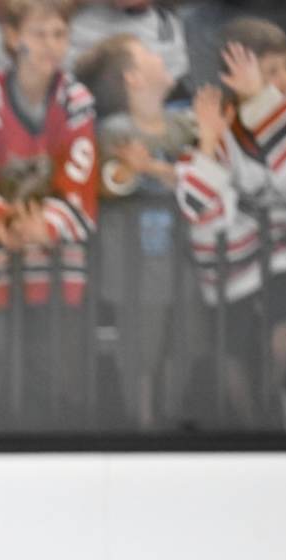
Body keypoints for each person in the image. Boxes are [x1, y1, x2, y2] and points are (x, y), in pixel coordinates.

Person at [0, 0, 99, 428]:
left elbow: (81, 177)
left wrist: (43, 224)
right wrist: (5, 224)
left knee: (59, 381)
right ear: (14, 38)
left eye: (59, 35)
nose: (51, 45)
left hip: (57, 267)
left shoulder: (76, 100)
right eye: (39, 34)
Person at [174, 19, 286, 428]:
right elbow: (195, 203)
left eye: (285, 69)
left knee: (285, 317)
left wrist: (261, 101)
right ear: (237, 76)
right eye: (268, 72)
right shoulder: (216, 129)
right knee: (232, 342)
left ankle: (271, 396)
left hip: (285, 252)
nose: (284, 80)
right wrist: (206, 143)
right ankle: (251, 419)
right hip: (229, 260)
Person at [74, 30, 193, 426]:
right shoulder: (113, 132)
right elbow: (111, 180)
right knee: (141, 350)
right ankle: (142, 425)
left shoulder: (185, 123)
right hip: (135, 267)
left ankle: (173, 418)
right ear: (133, 78)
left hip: (186, 260)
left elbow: (208, 173)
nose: (162, 60)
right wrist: (132, 170)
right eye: (150, 56)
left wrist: (158, 167)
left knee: (186, 345)